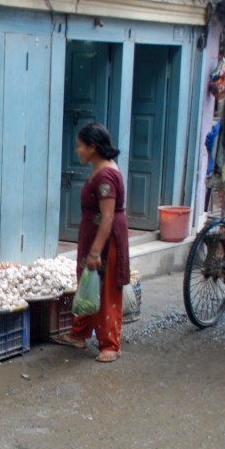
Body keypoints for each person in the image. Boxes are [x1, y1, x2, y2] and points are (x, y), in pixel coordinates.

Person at [51, 123, 131, 362]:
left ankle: (110, 344)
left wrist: (96, 251)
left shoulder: (105, 175)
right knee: (88, 283)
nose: (77, 150)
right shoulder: (98, 169)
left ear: (93, 147)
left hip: (106, 240)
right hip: (94, 236)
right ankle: (79, 333)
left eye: (80, 146)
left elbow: (107, 216)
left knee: (106, 289)